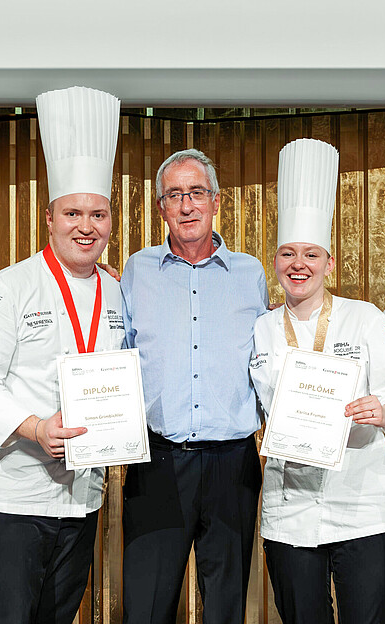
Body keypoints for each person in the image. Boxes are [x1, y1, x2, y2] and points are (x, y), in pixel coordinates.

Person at [0, 85, 124, 624]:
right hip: (12, 498)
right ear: (49, 217)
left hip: (82, 498)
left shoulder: (118, 290)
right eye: (74, 213)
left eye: (98, 214)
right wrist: (34, 427)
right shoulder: (8, 288)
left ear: (111, 220)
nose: (87, 226)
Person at [250, 138, 385, 624]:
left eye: (312, 254)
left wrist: (381, 413)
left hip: (364, 507)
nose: (299, 264)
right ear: (275, 261)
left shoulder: (365, 318)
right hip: (289, 507)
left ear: (329, 263)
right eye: (288, 253)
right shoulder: (261, 327)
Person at [120, 148, 269, 624]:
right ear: (161, 206)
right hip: (158, 461)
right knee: (146, 605)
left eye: (197, 193)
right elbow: (118, 355)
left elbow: (271, 358)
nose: (187, 205)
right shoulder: (135, 271)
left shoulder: (252, 274)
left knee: (226, 606)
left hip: (233, 465)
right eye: (175, 195)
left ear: (217, 201)